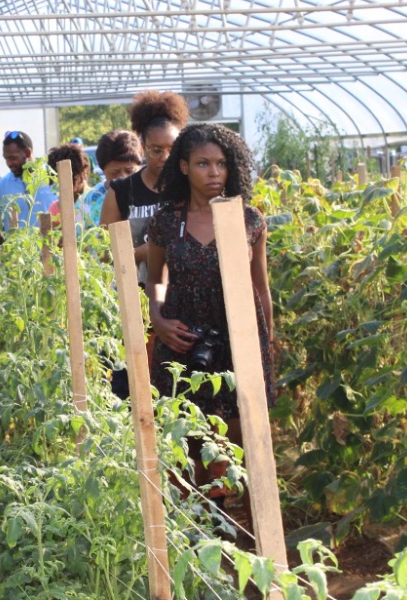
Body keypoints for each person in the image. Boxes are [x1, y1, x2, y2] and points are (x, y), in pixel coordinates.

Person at [145, 123, 274, 506]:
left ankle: (228, 518)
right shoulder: (166, 222)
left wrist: (265, 345)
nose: (214, 173)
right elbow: (156, 279)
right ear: (183, 167)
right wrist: (158, 318)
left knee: (234, 436)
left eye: (221, 164)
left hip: (237, 341)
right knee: (186, 431)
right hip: (182, 339)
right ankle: (192, 516)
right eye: (203, 164)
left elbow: (261, 287)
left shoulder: (249, 220)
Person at [100, 91, 190, 285]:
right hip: (135, 300)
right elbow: (103, 256)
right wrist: (141, 253)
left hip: (184, 297)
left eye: (172, 149)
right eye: (156, 150)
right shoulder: (121, 192)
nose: (165, 157)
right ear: (142, 147)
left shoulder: (190, 187)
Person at [81, 129, 144, 228]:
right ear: (103, 170)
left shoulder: (151, 191)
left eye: (129, 170)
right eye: (114, 172)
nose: (123, 177)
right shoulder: (90, 201)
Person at [45, 143, 91, 228]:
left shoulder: (94, 200)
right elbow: (51, 239)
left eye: (72, 177)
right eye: (57, 179)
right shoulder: (56, 208)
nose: (62, 184)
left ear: (84, 172)